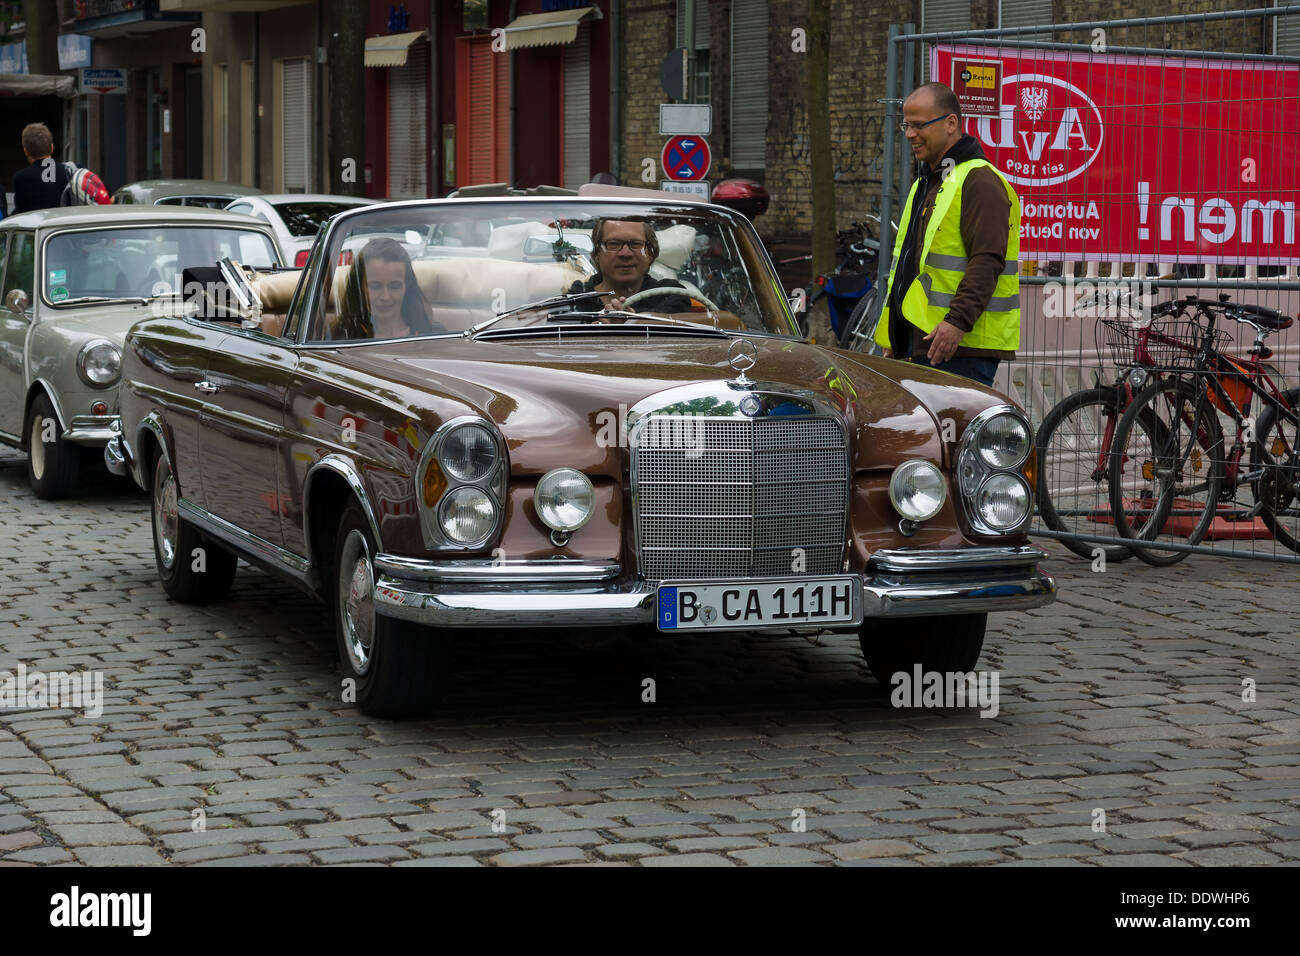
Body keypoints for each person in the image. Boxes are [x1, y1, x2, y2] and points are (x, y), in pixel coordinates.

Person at [873, 82, 1021, 387]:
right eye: (906, 125)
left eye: (918, 125)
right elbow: (909, 267)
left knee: (953, 435)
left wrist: (956, 323)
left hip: (959, 349)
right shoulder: (926, 182)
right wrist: (898, 336)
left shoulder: (979, 181)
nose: (910, 134)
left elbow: (988, 259)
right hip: (924, 345)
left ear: (951, 123)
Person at [567, 218, 694, 313]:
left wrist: (636, 320)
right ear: (596, 254)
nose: (625, 253)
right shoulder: (576, 297)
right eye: (614, 244)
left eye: (636, 244)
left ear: (651, 253)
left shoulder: (671, 293)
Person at [333, 237, 444, 340]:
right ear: (358, 288)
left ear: (407, 286)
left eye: (395, 286)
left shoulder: (433, 335)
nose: (385, 297)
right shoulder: (339, 338)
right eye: (375, 286)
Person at [11, 123, 70, 215]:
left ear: (26, 152)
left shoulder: (20, 178)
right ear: (52, 148)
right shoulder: (69, 171)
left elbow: (21, 211)